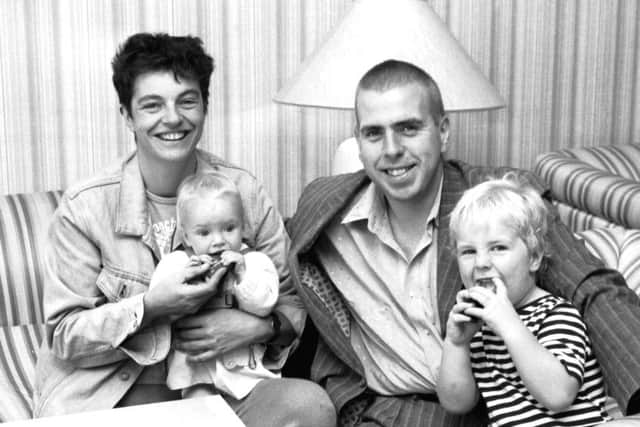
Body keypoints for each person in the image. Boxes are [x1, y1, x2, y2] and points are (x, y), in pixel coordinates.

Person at [286, 59, 640, 426]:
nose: (391, 149)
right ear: (358, 142)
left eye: (408, 128)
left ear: (442, 131)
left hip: (484, 414)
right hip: (377, 411)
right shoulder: (325, 210)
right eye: (374, 133)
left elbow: (590, 286)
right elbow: (267, 248)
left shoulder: (498, 202)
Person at [33, 32, 336, 427]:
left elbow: (294, 301)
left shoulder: (244, 191)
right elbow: (64, 336)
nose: (173, 118)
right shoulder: (85, 208)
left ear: (205, 107)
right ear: (127, 115)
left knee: (311, 408)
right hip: (115, 393)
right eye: (152, 105)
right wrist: (152, 308)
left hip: (226, 384)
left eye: (187, 101)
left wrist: (256, 327)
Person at [437, 174, 611, 426]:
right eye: (468, 251)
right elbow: (457, 403)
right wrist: (456, 344)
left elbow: (558, 395)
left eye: (498, 248)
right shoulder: (476, 326)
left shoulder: (557, 315)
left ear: (534, 258)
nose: (482, 263)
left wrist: (509, 325)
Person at [159, 172, 280, 400]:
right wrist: (188, 277)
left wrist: (243, 275)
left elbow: (264, 306)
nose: (218, 240)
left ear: (242, 227)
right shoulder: (177, 263)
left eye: (229, 228)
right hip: (196, 374)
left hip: (248, 375)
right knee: (203, 411)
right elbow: (161, 307)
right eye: (204, 232)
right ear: (186, 237)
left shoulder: (255, 261)